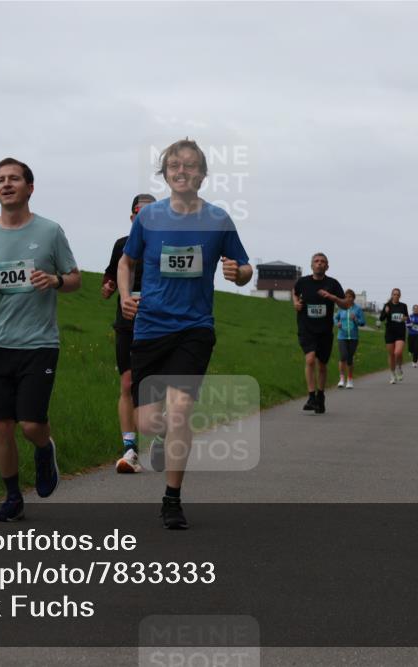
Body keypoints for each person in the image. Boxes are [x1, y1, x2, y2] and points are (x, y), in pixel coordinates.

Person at [117, 138, 252, 529]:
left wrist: (237, 274)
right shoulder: (149, 218)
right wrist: (126, 296)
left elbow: (244, 268)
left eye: (190, 166)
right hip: (150, 327)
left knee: (180, 412)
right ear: (165, 173)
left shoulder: (218, 220)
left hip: (194, 328)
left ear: (203, 174)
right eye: (174, 165)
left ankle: (172, 500)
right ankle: (159, 440)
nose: (182, 171)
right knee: (147, 423)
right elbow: (127, 262)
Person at [0, 157, 80, 522]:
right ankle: (12, 496)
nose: (7, 184)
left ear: (29, 187)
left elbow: (74, 278)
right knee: (0, 424)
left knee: (29, 424)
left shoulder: (50, 231)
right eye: (0, 180)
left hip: (38, 343)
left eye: (14, 179)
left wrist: (55, 281)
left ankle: (44, 449)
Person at [102, 194, 156, 473]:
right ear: (132, 217)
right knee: (127, 384)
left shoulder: (165, 245)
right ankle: (129, 449)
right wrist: (109, 286)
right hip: (127, 322)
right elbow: (112, 273)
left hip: (159, 324)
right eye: (139, 213)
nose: (144, 218)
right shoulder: (122, 245)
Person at [292, 253, 348, 413]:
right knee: (310, 360)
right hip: (306, 328)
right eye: (316, 261)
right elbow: (294, 291)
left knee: (322, 365)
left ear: (327, 266)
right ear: (311, 265)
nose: (319, 264)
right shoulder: (303, 282)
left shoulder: (333, 284)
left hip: (324, 330)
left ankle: (320, 396)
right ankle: (311, 396)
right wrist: (296, 303)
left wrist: (332, 297)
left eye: (323, 262)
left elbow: (345, 304)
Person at [333, 288, 366, 389]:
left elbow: (363, 322)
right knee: (343, 356)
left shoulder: (358, 309)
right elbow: (335, 317)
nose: (348, 299)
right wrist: (337, 323)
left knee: (350, 358)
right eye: (346, 297)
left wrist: (356, 319)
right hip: (342, 336)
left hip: (353, 337)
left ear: (353, 298)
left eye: (350, 297)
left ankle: (350, 379)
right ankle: (342, 379)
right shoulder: (341, 308)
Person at [379, 288, 409, 384]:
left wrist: (405, 318)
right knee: (391, 355)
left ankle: (399, 367)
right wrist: (386, 312)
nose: (396, 296)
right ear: (392, 295)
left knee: (398, 352)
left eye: (397, 294)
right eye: (394, 294)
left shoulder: (403, 306)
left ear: (400, 296)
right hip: (390, 332)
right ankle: (392, 374)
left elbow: (406, 317)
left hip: (400, 332)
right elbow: (381, 318)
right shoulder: (387, 306)